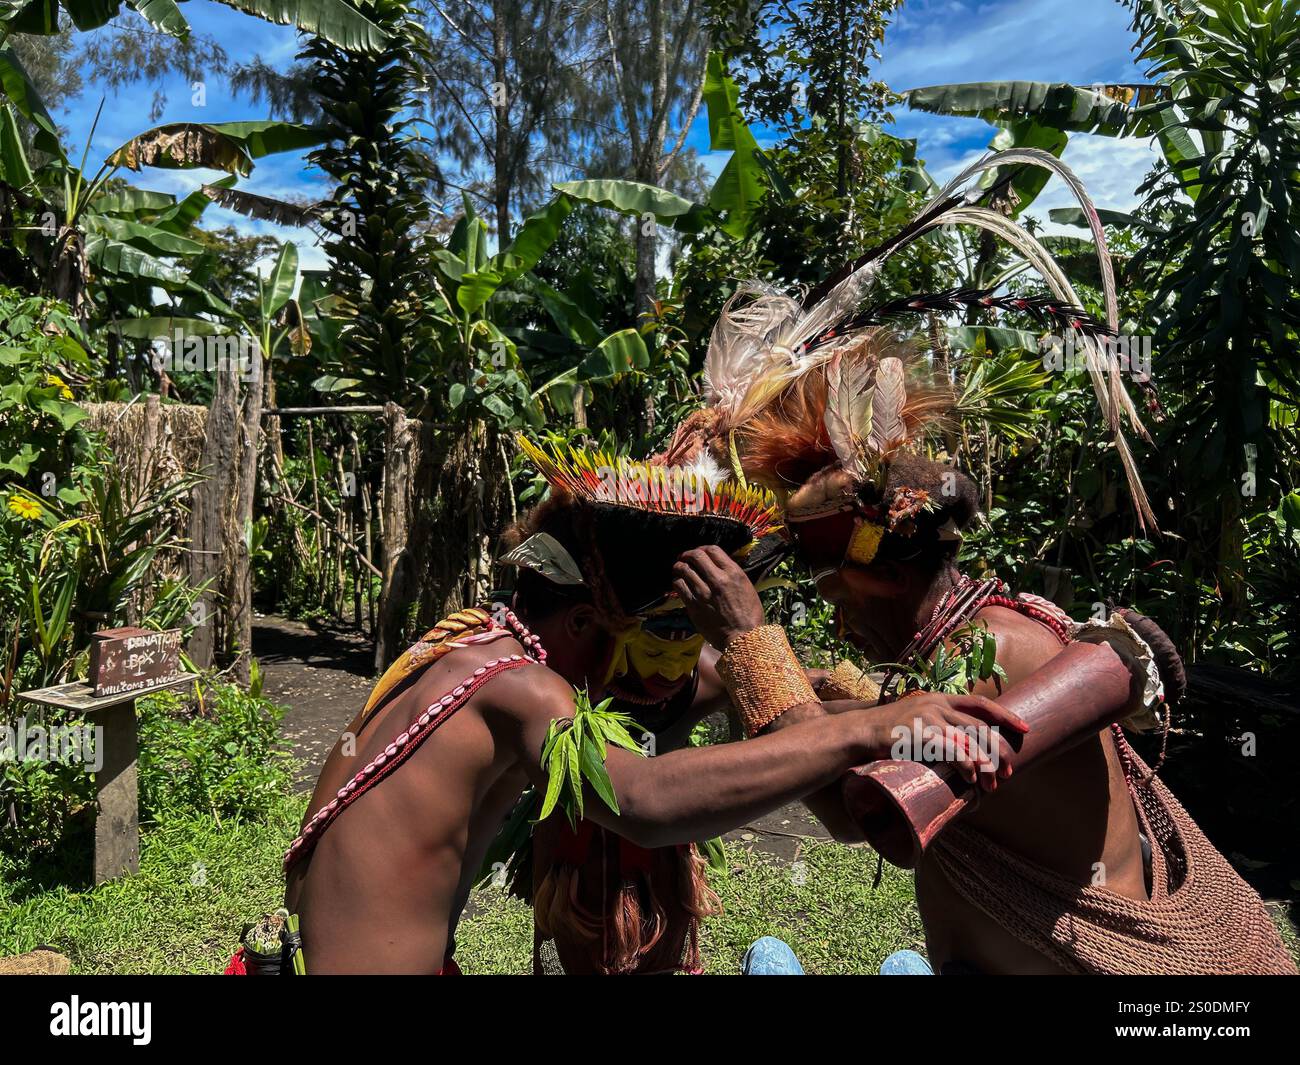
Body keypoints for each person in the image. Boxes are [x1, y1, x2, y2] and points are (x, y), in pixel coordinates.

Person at [657, 146, 1297, 974]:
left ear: (880, 567)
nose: (831, 610)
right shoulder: (979, 634)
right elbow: (884, 716)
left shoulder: (994, 661)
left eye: (825, 585)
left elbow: (857, 806)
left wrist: (749, 641)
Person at [271, 439, 1019, 974]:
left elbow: (741, 685)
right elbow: (645, 799)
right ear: (583, 622)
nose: (653, 670)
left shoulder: (464, 642)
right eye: (644, 633)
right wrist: (873, 726)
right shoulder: (520, 686)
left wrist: (846, 694)